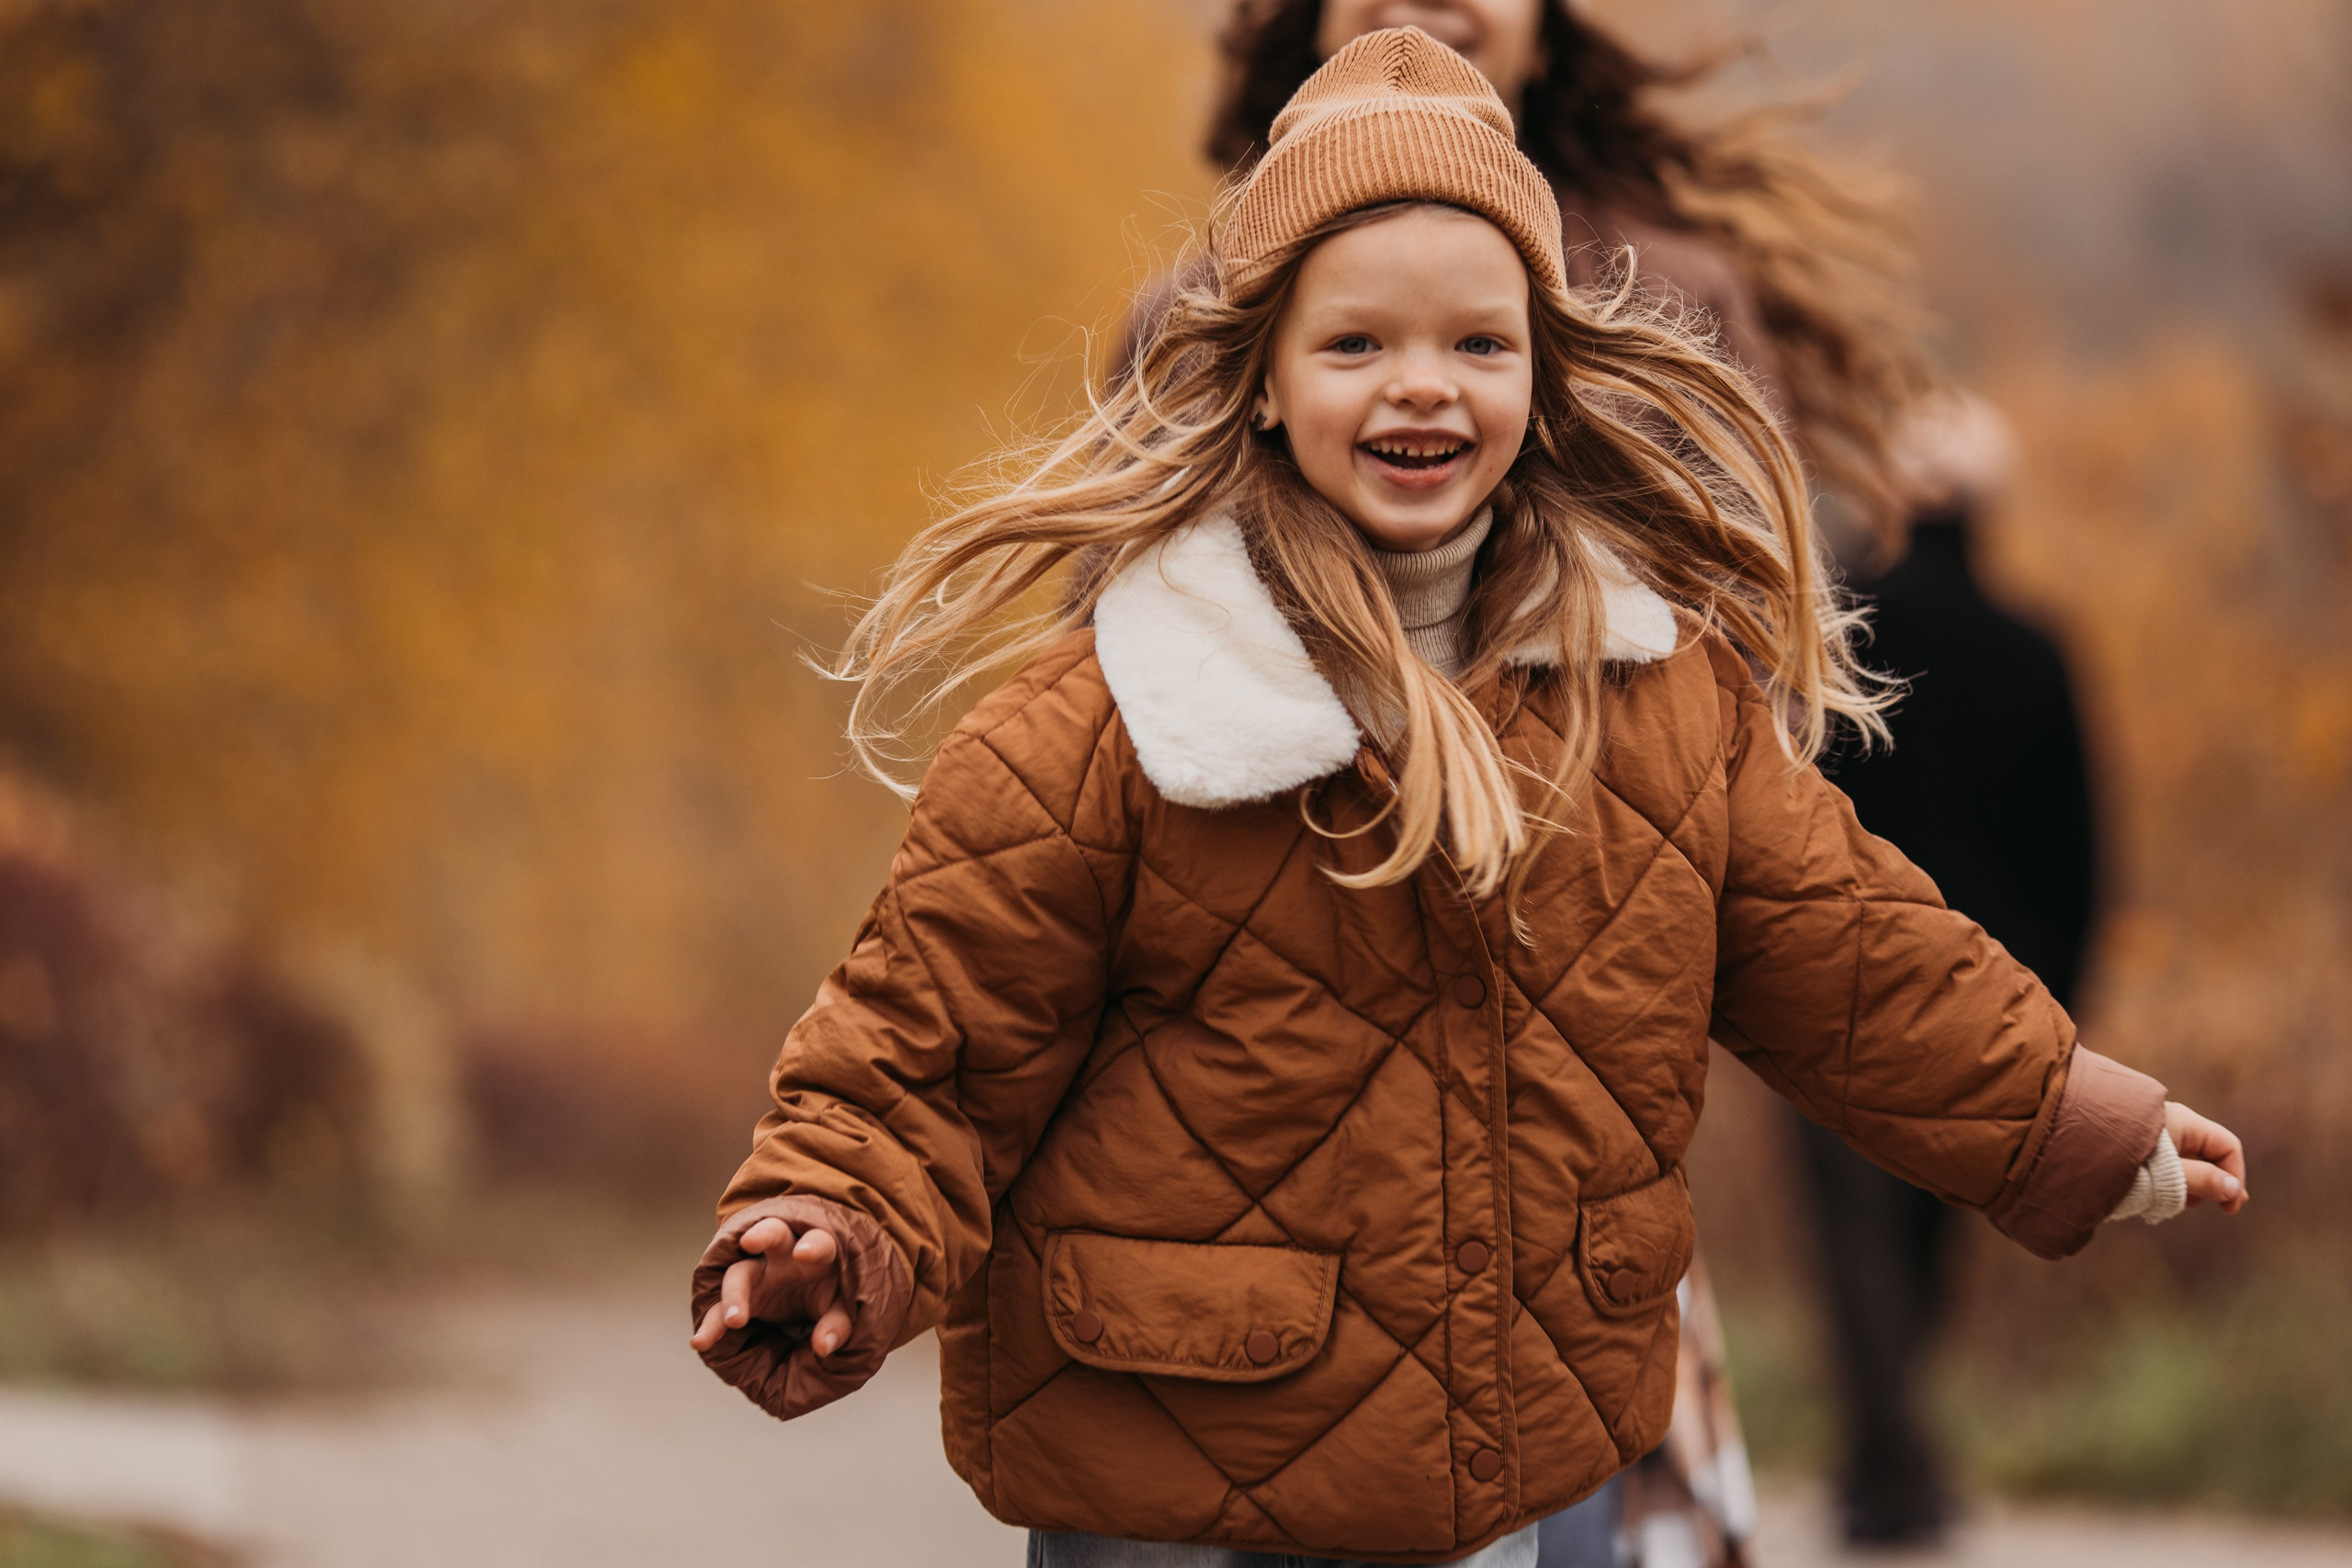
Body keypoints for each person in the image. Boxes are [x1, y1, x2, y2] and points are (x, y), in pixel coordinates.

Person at [688, 33, 2247, 1567]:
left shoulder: (1657, 695)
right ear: (1261, 382)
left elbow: (1855, 956)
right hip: (1167, 1465)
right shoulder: (1117, 713)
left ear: (1546, 378)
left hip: (1502, 1452)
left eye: (1480, 345)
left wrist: (2072, 1118)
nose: (1421, 385)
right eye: (1356, 344)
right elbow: (930, 1040)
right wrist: (830, 1218)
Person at [1182, 6, 1933, 1561]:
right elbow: (1100, 727)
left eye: (1484, 347)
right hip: (1255, 1112)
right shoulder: (1197, 305)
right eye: (1354, 347)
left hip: (1552, 1097)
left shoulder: (1678, 298)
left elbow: (1753, 728)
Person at [1798, 392, 2098, 1547]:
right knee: (1929, 1228)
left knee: (1854, 1234)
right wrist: (2059, 1005)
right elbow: (2079, 849)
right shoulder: (2034, 648)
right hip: (1989, 991)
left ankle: (1887, 1463)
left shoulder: (1836, 632)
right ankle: (1889, 1453)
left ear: (1893, 495)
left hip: (1834, 978)